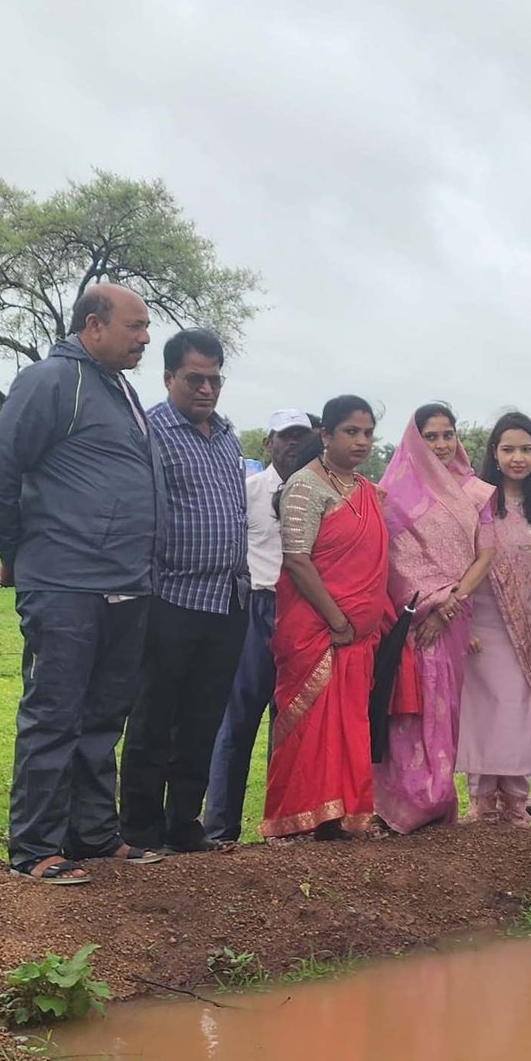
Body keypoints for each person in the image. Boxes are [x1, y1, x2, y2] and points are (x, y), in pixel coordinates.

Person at [0, 283, 166, 885]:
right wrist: (22, 554)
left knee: (104, 716)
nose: (143, 338)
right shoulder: (53, 380)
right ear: (93, 326)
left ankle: (93, 834)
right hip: (65, 584)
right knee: (54, 715)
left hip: (127, 584)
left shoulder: (120, 387)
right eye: (134, 327)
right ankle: (34, 847)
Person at [116, 327, 248, 853]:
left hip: (227, 601)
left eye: (215, 379)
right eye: (195, 378)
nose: (207, 389)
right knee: (154, 718)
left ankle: (184, 823)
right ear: (169, 376)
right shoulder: (148, 431)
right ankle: (141, 827)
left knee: (203, 718)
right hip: (170, 598)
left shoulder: (228, 436)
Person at [262, 395, 389, 840]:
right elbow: (297, 560)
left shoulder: (367, 492)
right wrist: (337, 620)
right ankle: (297, 819)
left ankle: (342, 816)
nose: (361, 441)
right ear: (326, 435)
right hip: (316, 630)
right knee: (310, 722)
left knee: (349, 721)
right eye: (351, 432)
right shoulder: (305, 485)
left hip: (357, 637)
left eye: (368, 432)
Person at [373, 403, 495, 832]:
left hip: (453, 617)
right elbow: (392, 559)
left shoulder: (476, 491)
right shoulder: (394, 495)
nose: (442, 445)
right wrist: (430, 602)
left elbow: (486, 553)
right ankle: (405, 802)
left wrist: (450, 603)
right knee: (411, 706)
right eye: (431, 436)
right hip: (410, 620)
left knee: (447, 707)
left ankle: (439, 797)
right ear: (414, 439)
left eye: (448, 435)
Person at [457, 412, 531, 825]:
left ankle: (514, 804)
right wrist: (464, 624)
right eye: (508, 449)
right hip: (482, 630)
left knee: (521, 714)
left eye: (526, 449)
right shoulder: (475, 501)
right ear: (494, 453)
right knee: (485, 714)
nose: (517, 458)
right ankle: (482, 804)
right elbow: (459, 565)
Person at [203, 409, 317, 842]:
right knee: (237, 720)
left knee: (290, 723)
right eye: (285, 436)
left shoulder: (323, 494)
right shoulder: (246, 491)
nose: (293, 444)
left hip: (303, 612)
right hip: (255, 607)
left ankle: (282, 826)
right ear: (268, 443)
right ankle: (219, 829)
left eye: (301, 436)